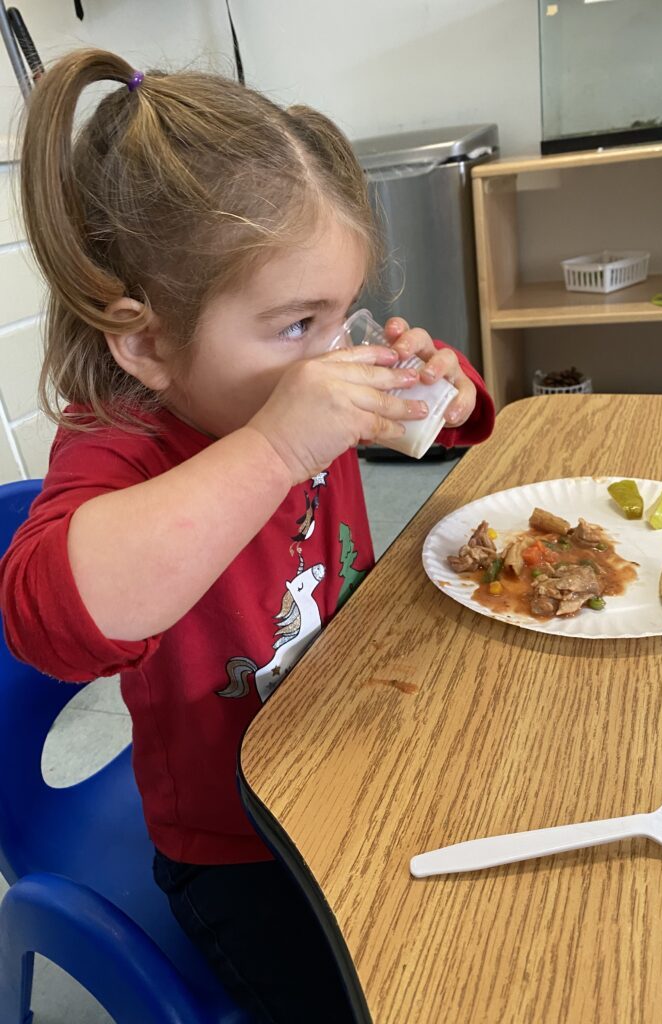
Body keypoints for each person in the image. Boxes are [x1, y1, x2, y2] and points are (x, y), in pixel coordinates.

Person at [0, 48, 495, 1022]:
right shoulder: (121, 443)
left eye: (339, 312)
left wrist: (447, 388)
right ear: (144, 341)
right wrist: (274, 445)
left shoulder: (284, 381)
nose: (332, 357)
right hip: (231, 844)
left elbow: (462, 420)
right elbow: (50, 614)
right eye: (294, 324)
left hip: (345, 746)